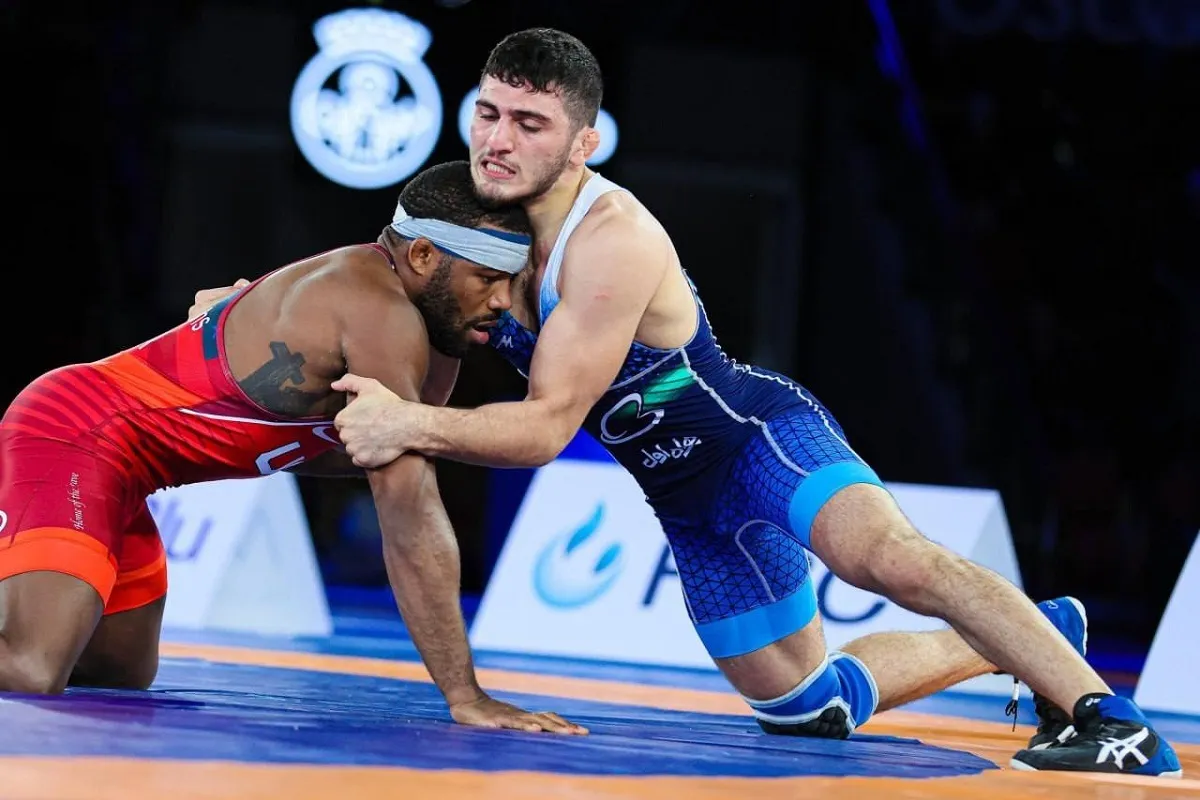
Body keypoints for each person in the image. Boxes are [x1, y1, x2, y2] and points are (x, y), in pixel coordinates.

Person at [197, 32, 1181, 777]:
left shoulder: (609, 239)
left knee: (891, 559)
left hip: (757, 440)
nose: (498, 141)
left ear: (583, 141)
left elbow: (544, 429)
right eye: (489, 114)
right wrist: (252, 306)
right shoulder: (471, 217)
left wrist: (407, 421)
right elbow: (378, 267)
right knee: (806, 707)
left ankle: (1112, 723)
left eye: (530, 124)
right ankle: (1034, 631)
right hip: (682, 498)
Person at [0, 161, 585, 737]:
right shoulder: (380, 312)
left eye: (511, 283)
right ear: (424, 255)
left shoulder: (431, 337)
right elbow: (407, 508)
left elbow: (374, 456)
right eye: (487, 278)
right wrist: (465, 695)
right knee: (31, 670)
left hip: (129, 472)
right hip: (74, 433)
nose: (502, 301)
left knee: (120, 671)